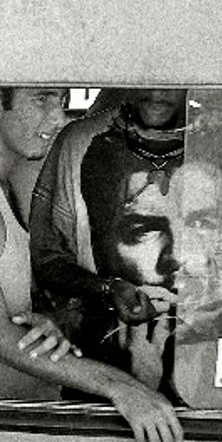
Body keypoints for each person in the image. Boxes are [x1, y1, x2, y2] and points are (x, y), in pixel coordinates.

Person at [0, 85, 184, 442]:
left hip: (17, 430)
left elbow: (14, 308)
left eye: (62, 102)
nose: (59, 118)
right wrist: (124, 388)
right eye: (43, 99)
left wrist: (50, 320)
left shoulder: (2, 182)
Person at [29, 88, 188, 400]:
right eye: (142, 230)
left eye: (199, 224)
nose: (158, 91)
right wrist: (107, 288)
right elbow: (46, 260)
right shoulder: (80, 144)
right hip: (98, 379)